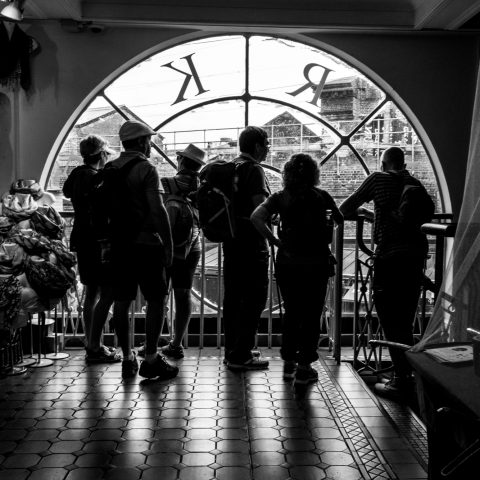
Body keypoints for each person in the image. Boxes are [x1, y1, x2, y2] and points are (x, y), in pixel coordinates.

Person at [339, 146, 430, 398]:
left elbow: (345, 209)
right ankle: (409, 375)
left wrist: (366, 212)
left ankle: (401, 379)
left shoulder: (378, 179)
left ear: (383, 163)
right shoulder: (414, 183)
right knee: (406, 316)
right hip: (415, 258)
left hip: (390, 258)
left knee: (390, 317)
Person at [251, 154, 343, 385]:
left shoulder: (280, 197)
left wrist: (275, 240)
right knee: (312, 313)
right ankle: (305, 367)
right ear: (314, 174)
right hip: (316, 263)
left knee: (292, 312)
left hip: (288, 262)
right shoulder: (322, 196)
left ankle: (289, 362)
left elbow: (256, 217)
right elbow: (339, 218)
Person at [107, 120, 177, 380]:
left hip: (119, 244)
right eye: (149, 140)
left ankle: (127, 358)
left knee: (122, 302)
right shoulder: (146, 168)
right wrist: (168, 245)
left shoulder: (110, 168)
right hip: (146, 243)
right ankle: (150, 357)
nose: (151, 145)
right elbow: (157, 210)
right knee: (156, 300)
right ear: (140, 142)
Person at [63, 134, 121, 363]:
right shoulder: (97, 178)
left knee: (91, 293)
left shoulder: (76, 174)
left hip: (81, 238)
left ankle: (91, 341)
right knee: (106, 292)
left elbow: (67, 193)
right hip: (99, 241)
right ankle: (95, 346)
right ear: (102, 153)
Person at [223, 126, 271, 371]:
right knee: (253, 298)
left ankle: (233, 350)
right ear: (257, 147)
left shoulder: (232, 167)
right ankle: (242, 354)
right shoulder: (254, 169)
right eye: (266, 144)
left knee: (233, 297)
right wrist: (274, 239)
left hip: (231, 242)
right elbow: (259, 210)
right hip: (252, 244)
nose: (268, 149)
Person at [160, 144, 206, 359]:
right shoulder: (201, 189)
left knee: (159, 296)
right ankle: (176, 342)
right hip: (192, 246)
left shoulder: (171, 185)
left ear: (180, 160)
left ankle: (153, 342)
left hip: (168, 245)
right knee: (183, 293)